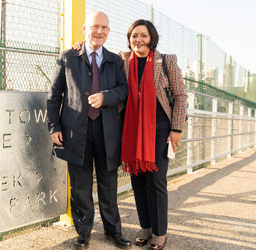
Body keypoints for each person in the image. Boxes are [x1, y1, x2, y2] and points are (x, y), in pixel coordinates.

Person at [47, 11, 131, 250]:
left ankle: (113, 230)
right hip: (76, 132)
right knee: (80, 186)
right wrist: (54, 126)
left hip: (107, 132)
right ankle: (83, 232)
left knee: (109, 184)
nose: (99, 31)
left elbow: (123, 91)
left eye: (104, 27)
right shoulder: (68, 57)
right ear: (85, 28)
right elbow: (54, 96)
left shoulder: (116, 61)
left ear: (108, 31)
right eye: (95, 27)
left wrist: (106, 96)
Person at [119, 19, 187, 250]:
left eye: (143, 36)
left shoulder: (166, 61)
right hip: (131, 130)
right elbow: (96, 51)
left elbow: (180, 96)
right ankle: (146, 226)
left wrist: (176, 129)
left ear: (152, 38)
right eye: (134, 36)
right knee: (137, 180)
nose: (138, 40)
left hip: (159, 130)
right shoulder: (123, 60)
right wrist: (82, 44)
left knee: (156, 181)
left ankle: (160, 232)